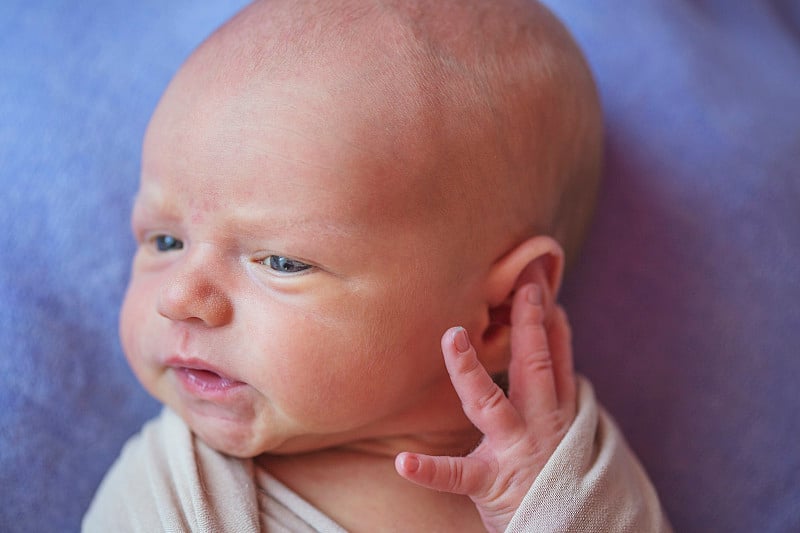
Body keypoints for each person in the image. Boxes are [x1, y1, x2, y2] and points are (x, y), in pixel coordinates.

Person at [84, 0, 670, 530]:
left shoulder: (569, 481)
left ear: (501, 311)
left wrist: (555, 512)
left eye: (283, 262)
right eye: (164, 242)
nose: (179, 297)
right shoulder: (168, 501)